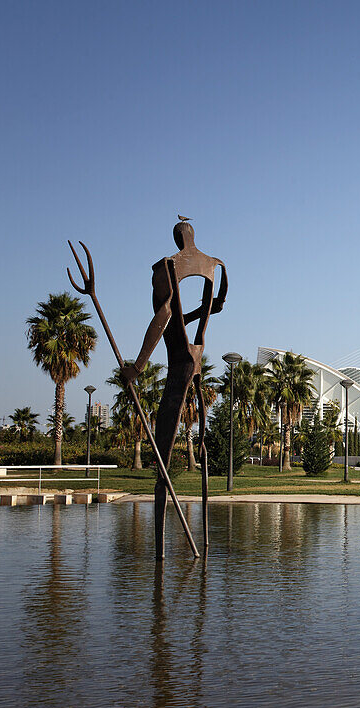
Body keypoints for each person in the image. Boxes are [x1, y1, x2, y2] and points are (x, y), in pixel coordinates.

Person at [123, 220, 226, 559]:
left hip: (179, 366)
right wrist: (192, 313)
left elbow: (165, 313)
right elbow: (217, 305)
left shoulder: (168, 266)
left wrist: (137, 366)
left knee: (162, 457)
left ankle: (160, 552)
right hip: (198, 359)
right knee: (204, 450)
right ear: (194, 235)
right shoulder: (217, 265)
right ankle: (206, 540)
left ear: (176, 238)